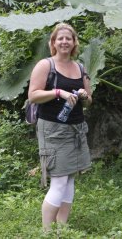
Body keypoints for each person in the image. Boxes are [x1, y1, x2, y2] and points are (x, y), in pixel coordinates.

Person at [28, 23, 92, 231]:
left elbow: (89, 100)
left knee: (70, 178)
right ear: (53, 42)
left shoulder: (80, 67)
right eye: (60, 38)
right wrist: (58, 93)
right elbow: (33, 95)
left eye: (68, 38)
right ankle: (47, 231)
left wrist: (83, 96)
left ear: (74, 43)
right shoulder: (46, 65)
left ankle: (62, 228)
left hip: (76, 129)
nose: (64, 41)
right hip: (53, 130)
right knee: (59, 181)